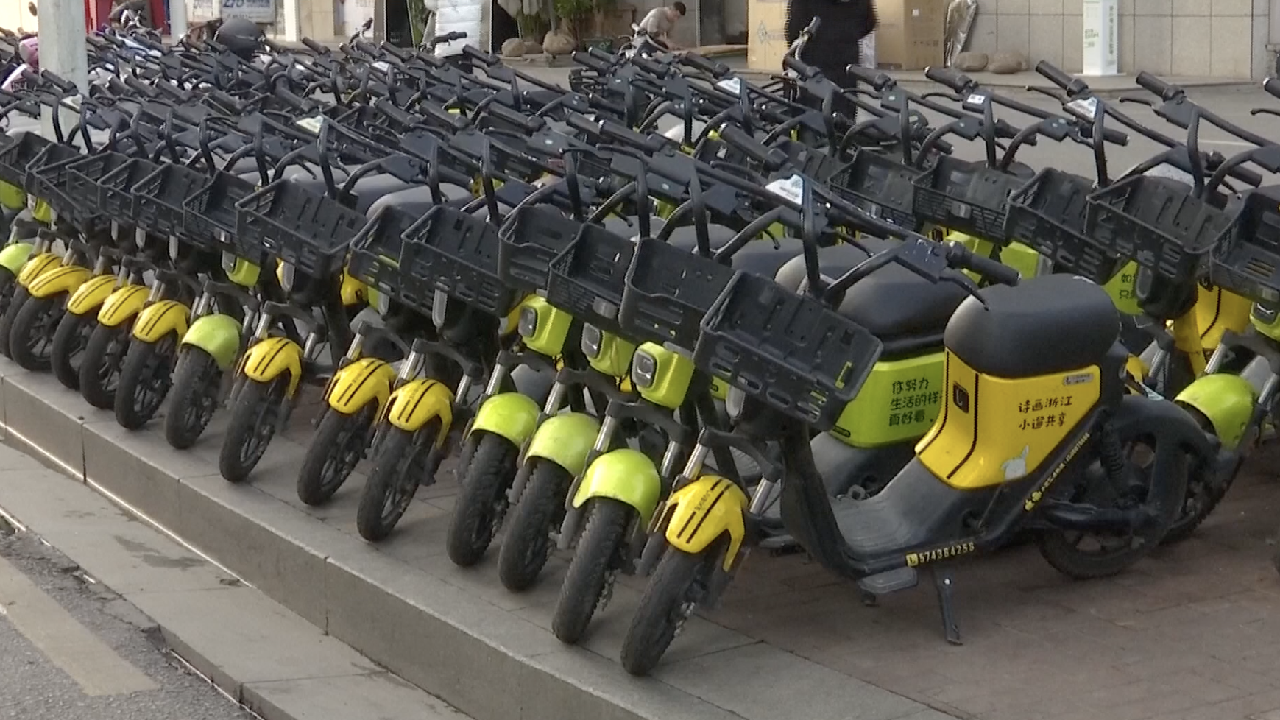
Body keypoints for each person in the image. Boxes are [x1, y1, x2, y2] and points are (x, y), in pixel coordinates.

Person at [784, 0, 876, 114]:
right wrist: (847, 36)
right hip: (845, 64)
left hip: (812, 64)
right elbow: (869, 22)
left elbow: (793, 28)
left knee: (811, 117)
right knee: (843, 114)